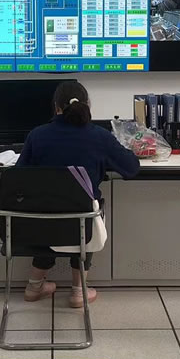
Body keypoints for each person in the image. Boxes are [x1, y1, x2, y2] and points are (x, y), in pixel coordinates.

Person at [16, 81, 140, 308]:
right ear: (88, 105)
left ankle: (34, 287)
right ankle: (78, 291)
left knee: (50, 211)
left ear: (56, 107)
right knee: (85, 211)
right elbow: (131, 168)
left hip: (40, 223)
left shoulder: (37, 135)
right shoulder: (100, 136)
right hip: (82, 224)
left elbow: (19, 178)